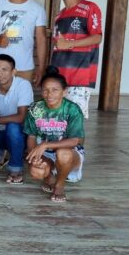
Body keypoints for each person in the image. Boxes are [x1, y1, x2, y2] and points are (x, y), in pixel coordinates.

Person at [25, 66, 85, 203]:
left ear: (64, 92)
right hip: (45, 153)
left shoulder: (72, 109)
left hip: (70, 152)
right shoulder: (35, 108)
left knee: (63, 153)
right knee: (36, 171)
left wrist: (45, 144)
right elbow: (32, 136)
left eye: (55, 90)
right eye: (45, 90)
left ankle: (59, 185)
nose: (49, 94)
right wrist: (34, 155)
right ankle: (49, 176)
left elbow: (75, 140)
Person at [50, 0, 102, 119]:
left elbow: (97, 37)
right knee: (58, 120)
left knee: (76, 121)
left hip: (80, 75)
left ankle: (78, 145)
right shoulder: (58, 16)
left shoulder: (89, 8)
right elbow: (57, 47)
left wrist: (70, 44)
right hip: (59, 76)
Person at [0, 54, 33, 184]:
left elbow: (21, 117)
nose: (0, 74)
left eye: (5, 69)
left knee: (13, 127)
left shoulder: (23, 85)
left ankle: (16, 169)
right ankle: (1, 151)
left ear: (13, 71)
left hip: (22, 133)